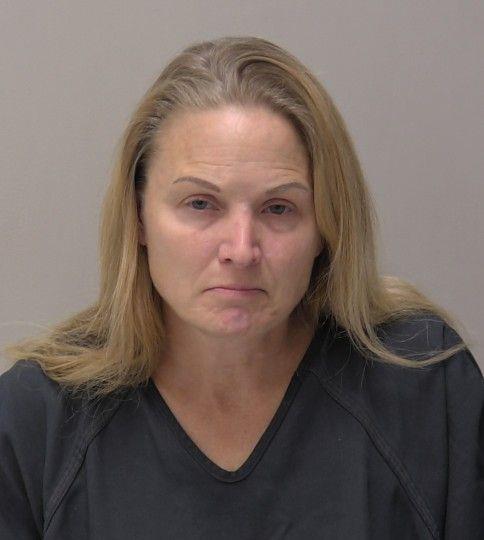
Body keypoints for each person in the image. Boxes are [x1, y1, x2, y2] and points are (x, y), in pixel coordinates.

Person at [0, 36, 482, 540]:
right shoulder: (37, 422)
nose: (241, 249)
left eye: (279, 208)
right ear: (138, 217)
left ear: (327, 226)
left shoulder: (426, 389)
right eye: (200, 204)